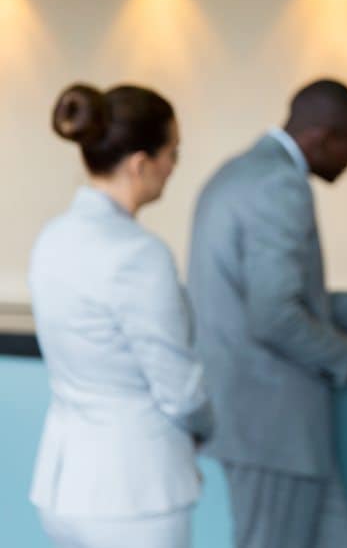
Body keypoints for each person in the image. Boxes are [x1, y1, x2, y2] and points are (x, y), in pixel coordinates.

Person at [187, 78, 347, 548]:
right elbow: (273, 316)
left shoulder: (238, 171)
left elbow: (266, 299)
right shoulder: (280, 184)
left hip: (277, 430)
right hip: (273, 428)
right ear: (323, 137)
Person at [29, 83, 213, 548]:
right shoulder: (139, 255)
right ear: (140, 164)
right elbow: (179, 391)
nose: (174, 167)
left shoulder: (52, 238)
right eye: (173, 152)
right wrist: (208, 427)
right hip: (133, 494)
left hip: (65, 486)